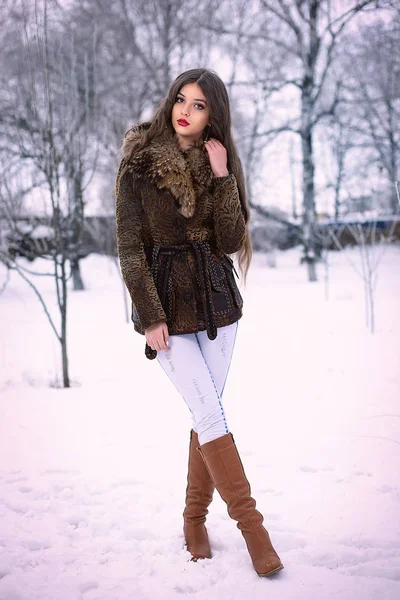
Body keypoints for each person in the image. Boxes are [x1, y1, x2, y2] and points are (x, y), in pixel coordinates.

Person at [115, 68, 284, 578]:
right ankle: (255, 533)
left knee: (206, 411)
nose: (185, 110)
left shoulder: (216, 161)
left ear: (215, 115)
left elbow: (231, 241)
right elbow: (129, 246)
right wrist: (149, 316)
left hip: (217, 306)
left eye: (200, 104)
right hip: (166, 309)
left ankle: (193, 519)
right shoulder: (139, 164)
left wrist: (223, 175)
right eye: (180, 99)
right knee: (209, 414)